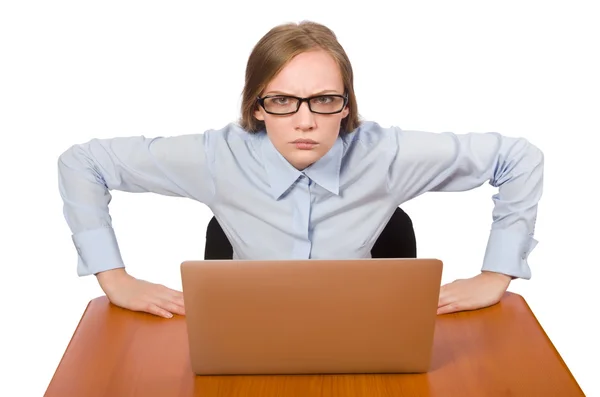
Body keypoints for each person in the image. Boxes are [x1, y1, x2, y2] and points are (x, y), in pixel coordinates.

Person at [57, 20, 543, 319]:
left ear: (346, 103)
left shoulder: (385, 154)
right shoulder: (217, 156)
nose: (306, 121)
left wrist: (496, 273)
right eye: (284, 100)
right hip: (249, 328)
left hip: (364, 327)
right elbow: (84, 162)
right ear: (258, 106)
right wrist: (115, 279)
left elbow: (517, 157)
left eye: (325, 99)